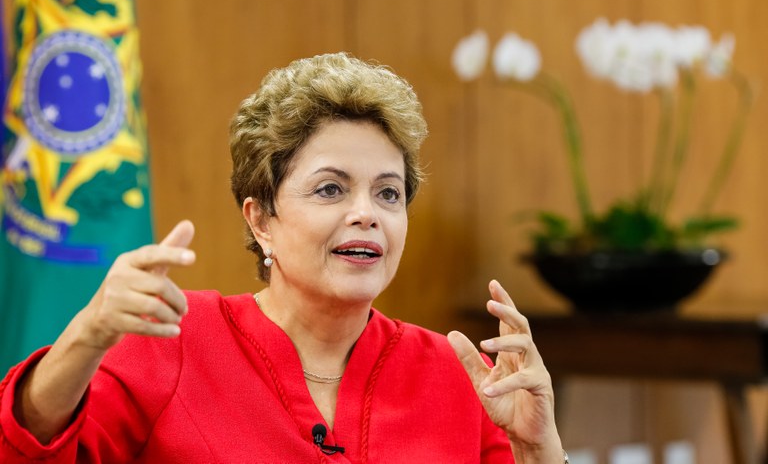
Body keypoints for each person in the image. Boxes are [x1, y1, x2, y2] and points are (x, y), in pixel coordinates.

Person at [0, 52, 566, 463]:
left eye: (389, 193)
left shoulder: (456, 376)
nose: (367, 213)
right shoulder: (172, 340)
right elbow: (27, 448)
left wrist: (538, 449)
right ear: (261, 219)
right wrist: (90, 334)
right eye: (330, 189)